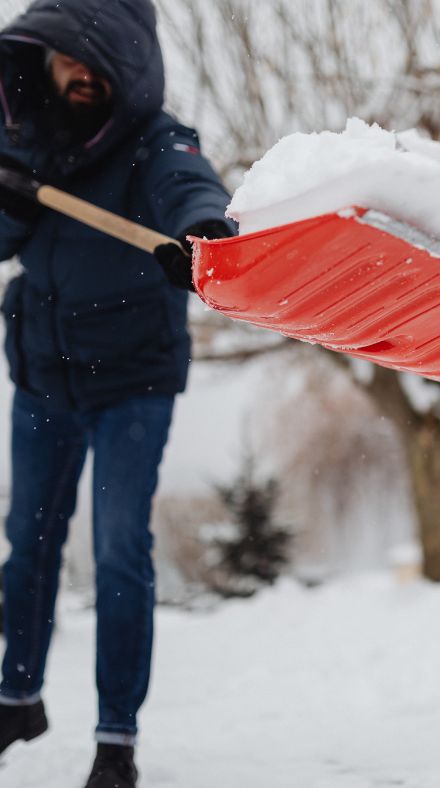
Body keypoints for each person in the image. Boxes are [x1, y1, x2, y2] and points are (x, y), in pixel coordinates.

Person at [0, 1, 235, 786]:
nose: (79, 75)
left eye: (95, 63)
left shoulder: (153, 139)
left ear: (128, 67)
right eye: (66, 59)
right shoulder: (26, 136)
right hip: (43, 373)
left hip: (131, 381)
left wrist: (202, 234)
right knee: (28, 543)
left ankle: (116, 741)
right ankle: (16, 697)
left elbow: (190, 184)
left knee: (117, 551)